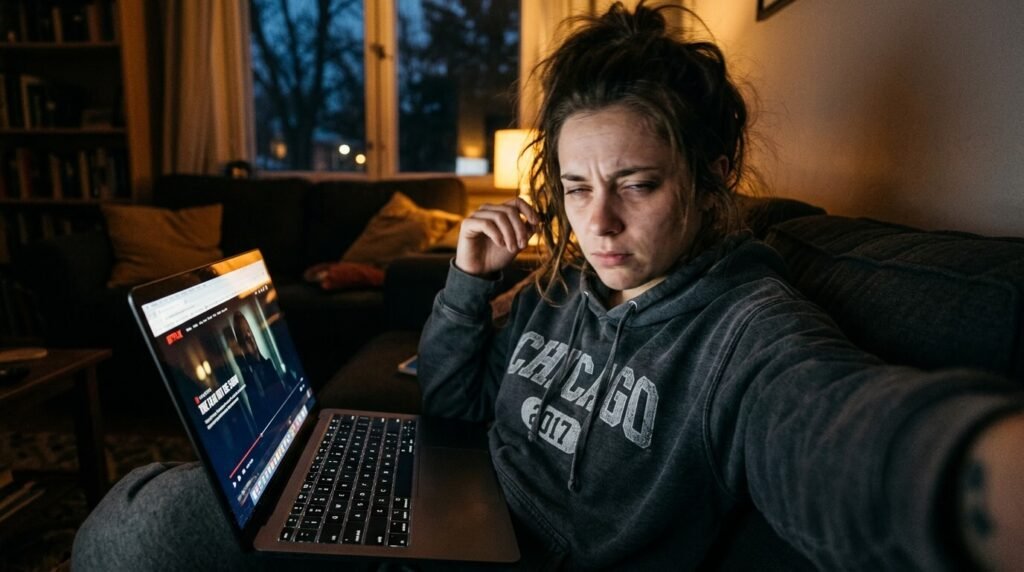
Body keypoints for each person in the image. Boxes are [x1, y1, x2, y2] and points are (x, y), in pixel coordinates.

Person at [72, 3, 1024, 570]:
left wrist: (969, 477)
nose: (598, 224)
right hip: (456, 499)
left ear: (709, 176)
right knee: (161, 502)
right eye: (575, 189)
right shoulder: (566, 287)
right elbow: (448, 400)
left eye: (638, 186)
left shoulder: (745, 329)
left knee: (141, 533)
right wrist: (464, 283)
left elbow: (831, 428)